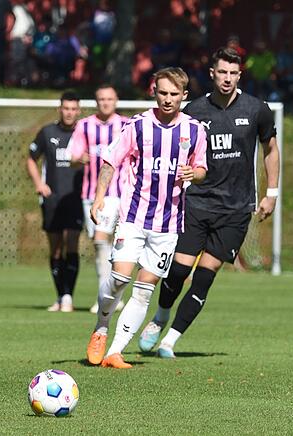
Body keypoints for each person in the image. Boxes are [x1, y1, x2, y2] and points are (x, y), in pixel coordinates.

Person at [138, 47, 280, 359]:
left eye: (233, 73)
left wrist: (272, 193)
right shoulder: (194, 111)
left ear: (239, 75)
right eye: (222, 72)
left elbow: (270, 149)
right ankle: (161, 315)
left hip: (236, 209)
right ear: (212, 73)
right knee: (177, 270)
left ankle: (170, 340)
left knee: (205, 275)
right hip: (197, 202)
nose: (227, 78)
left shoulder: (257, 109)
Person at [85, 67, 208, 369]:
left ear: (184, 96)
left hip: (168, 226)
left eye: (174, 94)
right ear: (154, 92)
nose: (168, 99)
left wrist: (196, 174)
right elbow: (110, 160)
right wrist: (100, 196)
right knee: (118, 280)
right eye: (162, 93)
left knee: (144, 290)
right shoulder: (137, 125)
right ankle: (101, 327)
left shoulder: (195, 130)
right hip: (134, 218)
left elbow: (202, 168)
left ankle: (115, 351)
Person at [66, 84, 127, 314]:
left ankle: (106, 296)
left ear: (116, 100)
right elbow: (72, 157)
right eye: (101, 99)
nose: (105, 103)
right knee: (104, 245)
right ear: (96, 101)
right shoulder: (84, 126)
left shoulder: (126, 125)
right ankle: (114, 295)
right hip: (90, 194)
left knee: (102, 240)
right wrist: (77, 158)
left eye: (109, 99)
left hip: (118, 193)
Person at [25, 92, 83, 313]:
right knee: (55, 248)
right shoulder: (47, 132)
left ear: (78, 111)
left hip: (77, 197)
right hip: (52, 198)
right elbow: (31, 158)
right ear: (60, 109)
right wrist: (39, 183)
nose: (69, 112)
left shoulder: (84, 133)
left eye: (73, 109)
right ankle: (60, 296)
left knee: (72, 244)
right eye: (66, 108)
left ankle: (68, 295)